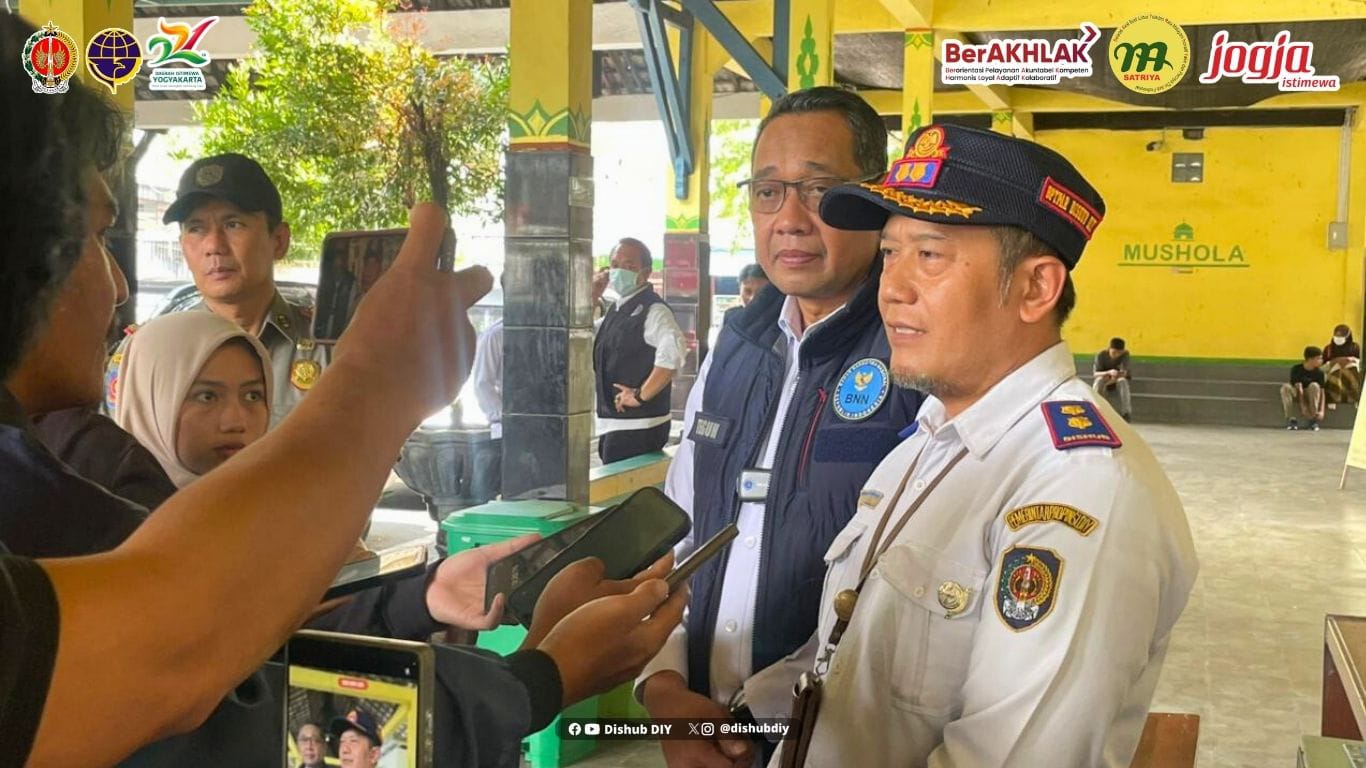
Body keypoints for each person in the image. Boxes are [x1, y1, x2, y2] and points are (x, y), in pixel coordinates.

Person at [0, 19, 686, 764]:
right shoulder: (58, 476)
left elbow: (239, 630)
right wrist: (537, 680)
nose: (118, 284)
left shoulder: (39, 469)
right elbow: (193, 668)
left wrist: (412, 602)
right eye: (94, 238)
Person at [766, 123, 1198, 768]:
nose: (893, 287)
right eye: (889, 252)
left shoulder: (1079, 485)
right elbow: (850, 647)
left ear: (1034, 288)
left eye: (930, 255)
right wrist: (752, 709)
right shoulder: (929, 441)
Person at [638, 86, 926, 768]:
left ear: (873, 199)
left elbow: (904, 589)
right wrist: (664, 685)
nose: (790, 219)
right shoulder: (734, 345)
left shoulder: (914, 357)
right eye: (768, 192)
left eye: (819, 190)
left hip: (836, 743)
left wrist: (748, 719)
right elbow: (676, 528)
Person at [108, 152, 326, 427]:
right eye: (196, 228)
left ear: (279, 240)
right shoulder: (143, 353)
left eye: (233, 224)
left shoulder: (331, 349)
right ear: (182, 246)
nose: (213, 245)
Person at [590, 237, 687, 463]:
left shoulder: (653, 310)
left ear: (645, 273)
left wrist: (640, 396)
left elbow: (673, 352)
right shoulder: (618, 308)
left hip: (639, 428)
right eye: (614, 265)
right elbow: (584, 333)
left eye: (629, 266)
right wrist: (593, 295)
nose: (619, 271)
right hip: (615, 425)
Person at [1281, 345, 1326, 431]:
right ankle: (1291, 418)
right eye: (1318, 358)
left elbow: (1322, 392)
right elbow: (1299, 388)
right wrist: (1303, 407)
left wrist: (1322, 410)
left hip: (1310, 392)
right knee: (1285, 388)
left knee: (1314, 386)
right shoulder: (1296, 369)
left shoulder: (1320, 373)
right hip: (1297, 391)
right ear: (1310, 359)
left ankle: (1313, 419)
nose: (1321, 361)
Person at [318, 243, 357, 340]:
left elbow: (352, 306)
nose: (338, 264)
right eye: (336, 257)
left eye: (342, 258)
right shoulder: (325, 279)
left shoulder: (351, 281)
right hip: (324, 325)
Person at [1092, 336, 1132, 421]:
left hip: (1118, 377)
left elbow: (1124, 372)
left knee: (1123, 382)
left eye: (1119, 353)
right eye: (1114, 352)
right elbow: (1095, 373)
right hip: (1105, 376)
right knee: (1098, 381)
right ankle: (1094, 408)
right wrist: (1108, 372)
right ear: (1109, 349)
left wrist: (1116, 377)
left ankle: (1126, 412)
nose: (1116, 355)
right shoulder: (1101, 355)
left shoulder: (1125, 354)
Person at [1323, 324, 1361, 407]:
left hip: (1350, 371)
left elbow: (1359, 363)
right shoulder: (1329, 349)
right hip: (1333, 372)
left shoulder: (1355, 347)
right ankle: (1334, 398)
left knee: (1352, 371)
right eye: (1336, 335)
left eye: (1341, 336)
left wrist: (1350, 360)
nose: (1338, 338)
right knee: (1337, 373)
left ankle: (1353, 398)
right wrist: (1333, 362)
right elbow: (1322, 366)